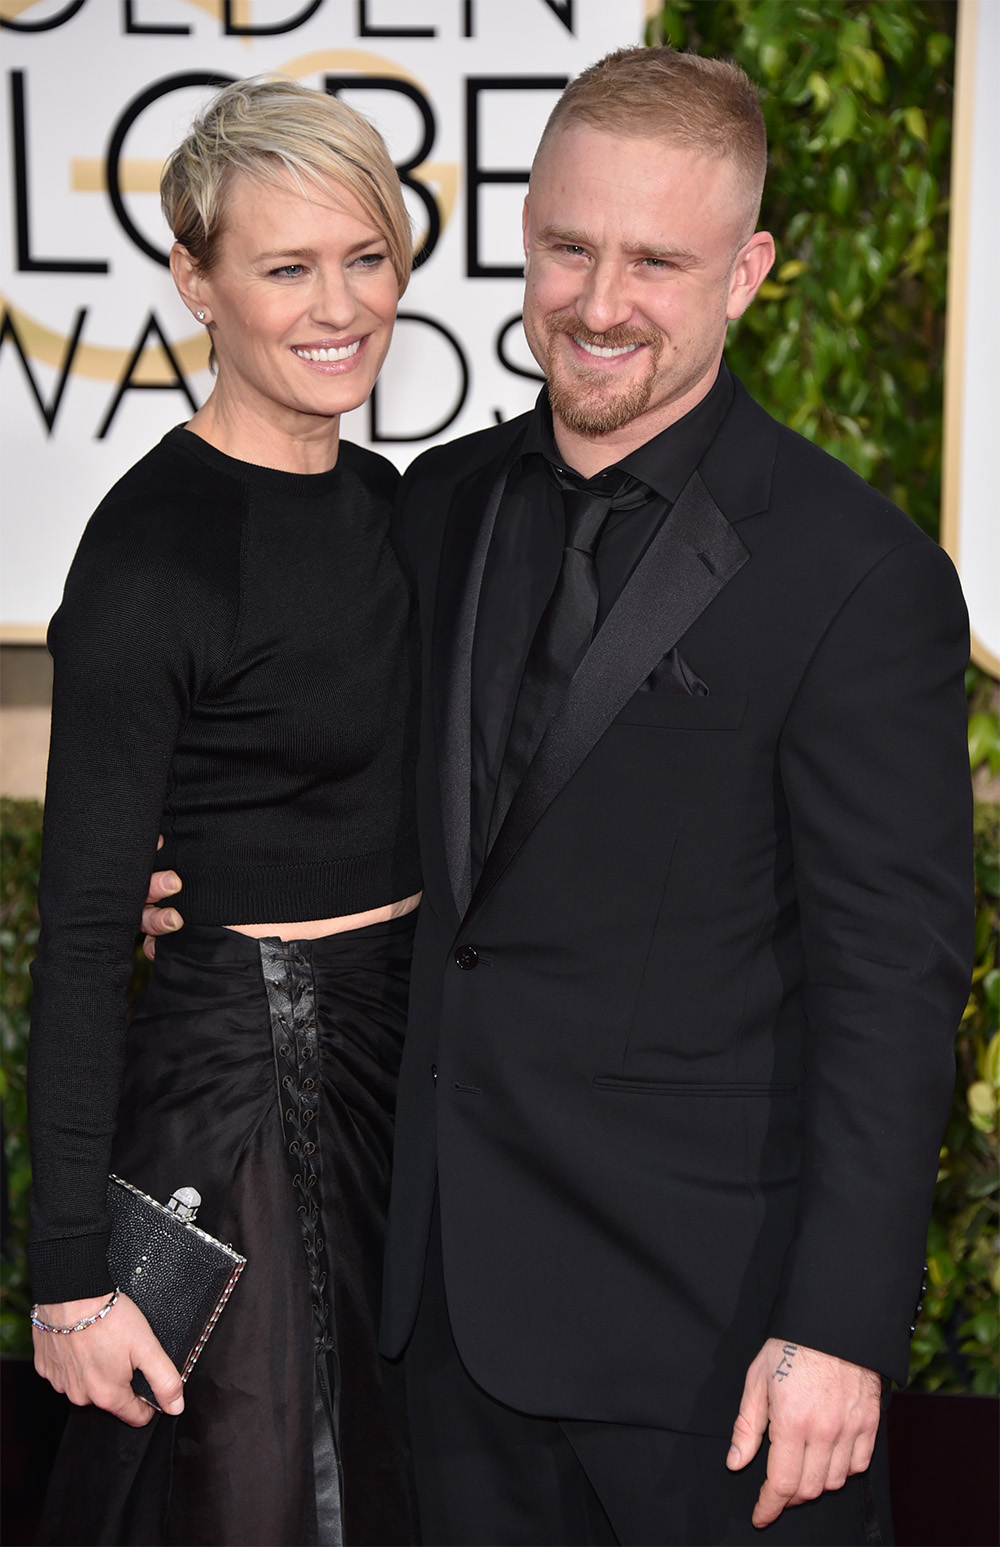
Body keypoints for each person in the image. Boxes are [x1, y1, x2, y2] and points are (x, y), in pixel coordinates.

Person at [143, 45, 973, 1547]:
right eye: (570, 247)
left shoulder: (858, 579)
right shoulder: (434, 507)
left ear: (749, 270)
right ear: (524, 232)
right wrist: (182, 864)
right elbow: (340, 786)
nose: (599, 304)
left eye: (658, 260)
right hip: (443, 1329)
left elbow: (894, 993)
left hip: (715, 1354)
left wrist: (841, 1332)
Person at [27, 77, 419, 1547]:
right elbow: (77, 940)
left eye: (366, 255)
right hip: (234, 1088)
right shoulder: (149, 561)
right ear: (196, 280)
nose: (340, 305)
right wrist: (69, 1278)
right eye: (285, 266)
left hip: (405, 1079)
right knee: (247, 1501)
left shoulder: (399, 510)